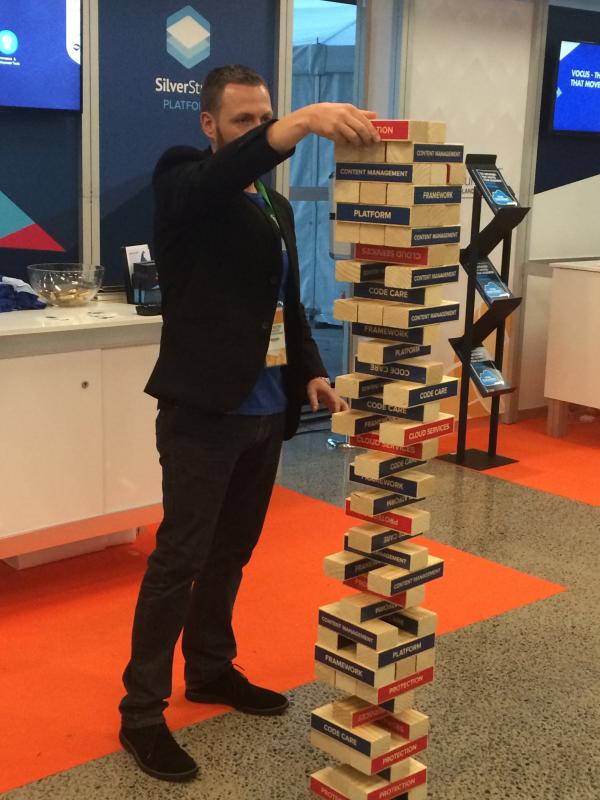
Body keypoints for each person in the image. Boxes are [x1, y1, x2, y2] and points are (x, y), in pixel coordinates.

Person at [118, 63, 380, 782]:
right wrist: (293, 126)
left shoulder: (275, 205)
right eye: (244, 121)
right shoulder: (182, 181)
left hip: (268, 411)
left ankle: (209, 669)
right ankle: (140, 714)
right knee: (180, 562)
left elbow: (285, 302)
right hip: (204, 412)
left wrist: (313, 370)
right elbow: (211, 180)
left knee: (232, 554)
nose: (258, 130)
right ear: (209, 126)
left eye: (265, 116)